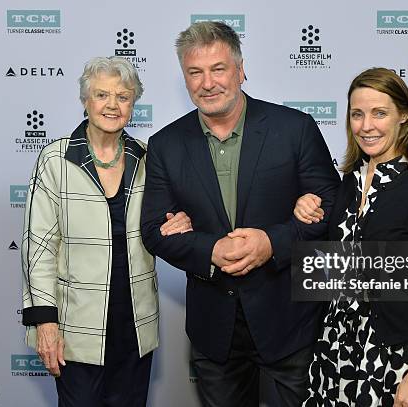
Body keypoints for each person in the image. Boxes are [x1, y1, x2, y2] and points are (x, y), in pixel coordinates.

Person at [140, 21, 340, 407]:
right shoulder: (165, 144)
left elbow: (331, 205)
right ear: (184, 78)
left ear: (240, 70)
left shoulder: (294, 128)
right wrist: (211, 249)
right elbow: (153, 228)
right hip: (214, 328)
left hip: (290, 320)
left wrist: (272, 242)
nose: (207, 82)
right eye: (194, 72)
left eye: (218, 69)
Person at [20, 56, 191, 407]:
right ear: (85, 101)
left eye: (123, 96)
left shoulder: (148, 158)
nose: (112, 105)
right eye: (101, 95)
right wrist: (45, 324)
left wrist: (182, 223)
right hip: (75, 331)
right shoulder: (56, 160)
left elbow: (165, 222)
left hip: (135, 326)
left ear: (133, 104)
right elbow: (39, 248)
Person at [294, 67, 408, 407]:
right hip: (336, 345)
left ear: (403, 116)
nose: (366, 125)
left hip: (397, 353)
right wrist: (304, 206)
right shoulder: (348, 183)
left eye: (379, 113)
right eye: (357, 114)